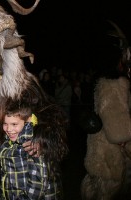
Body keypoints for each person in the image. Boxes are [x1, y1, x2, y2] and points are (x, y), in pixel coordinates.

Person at [81, 21, 131, 200]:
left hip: (101, 154)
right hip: (112, 160)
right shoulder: (115, 84)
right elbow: (118, 131)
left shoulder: (104, 81)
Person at [0, 104, 64, 200]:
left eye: (14, 124)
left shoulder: (33, 144)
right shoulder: (9, 143)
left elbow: (37, 189)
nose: (9, 129)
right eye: (5, 124)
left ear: (27, 122)